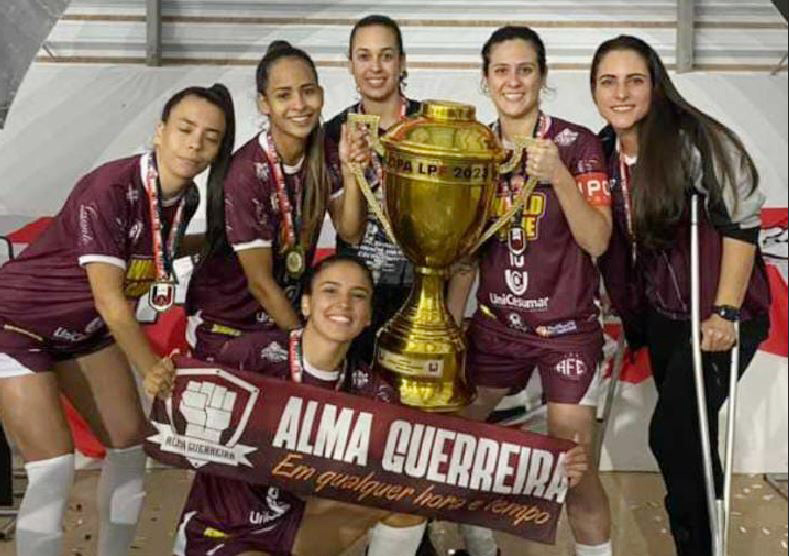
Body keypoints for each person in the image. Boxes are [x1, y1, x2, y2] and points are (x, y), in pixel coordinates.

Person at [0, 84, 235, 556]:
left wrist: (220, 238)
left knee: (131, 445)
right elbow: (111, 301)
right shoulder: (109, 186)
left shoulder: (184, 198)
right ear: (160, 131)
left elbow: (154, 250)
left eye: (210, 138)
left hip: (81, 334)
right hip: (16, 326)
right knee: (54, 466)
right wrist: (150, 367)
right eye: (185, 129)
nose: (194, 144)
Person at [590, 35, 770, 556]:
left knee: (673, 433)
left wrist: (726, 311)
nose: (621, 93)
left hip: (720, 313)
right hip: (666, 315)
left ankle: (697, 547)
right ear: (595, 90)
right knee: (690, 438)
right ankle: (704, 537)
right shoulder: (603, 151)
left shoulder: (696, 140)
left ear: (656, 85)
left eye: (634, 80)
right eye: (608, 81)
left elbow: (740, 224)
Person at [447, 26, 613, 556]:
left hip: (567, 333)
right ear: (485, 79)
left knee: (574, 464)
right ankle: (479, 545)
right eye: (501, 70)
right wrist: (451, 321)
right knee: (453, 443)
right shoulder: (474, 147)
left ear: (542, 77)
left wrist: (559, 176)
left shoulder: (576, 142)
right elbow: (467, 254)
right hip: (496, 328)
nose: (513, 81)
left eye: (524, 69)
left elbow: (599, 239)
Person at [174, 254, 396, 556]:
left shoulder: (370, 390)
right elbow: (184, 430)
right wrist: (166, 384)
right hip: (224, 529)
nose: (344, 304)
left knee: (405, 505)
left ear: (369, 314)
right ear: (305, 304)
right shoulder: (250, 356)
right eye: (330, 291)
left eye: (358, 296)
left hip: (293, 524)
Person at [324, 14, 422, 365]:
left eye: (386, 55)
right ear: (350, 64)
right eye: (364, 56)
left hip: (419, 293)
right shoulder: (333, 134)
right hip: (356, 297)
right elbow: (349, 232)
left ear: (402, 62)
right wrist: (353, 172)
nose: (375, 67)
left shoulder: (432, 126)